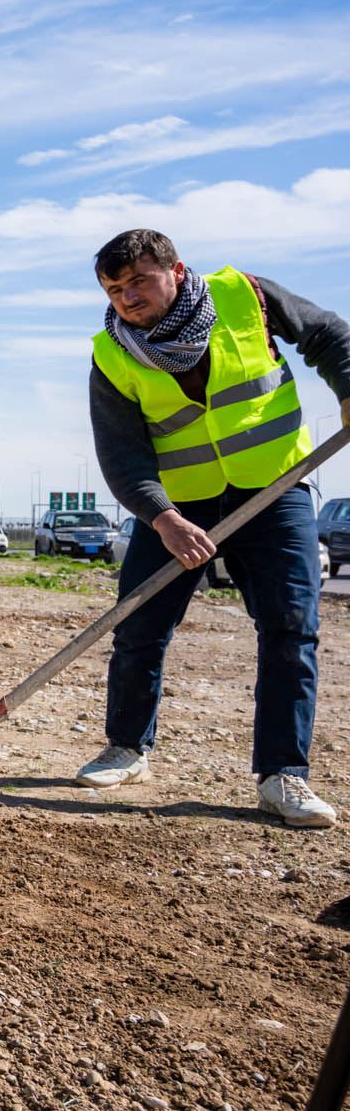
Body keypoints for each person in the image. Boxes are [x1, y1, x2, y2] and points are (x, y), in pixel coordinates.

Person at [81, 228, 343, 828]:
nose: (127, 298)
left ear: (176, 270)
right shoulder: (113, 353)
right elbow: (122, 455)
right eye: (114, 289)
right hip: (178, 504)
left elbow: (330, 335)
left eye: (138, 281)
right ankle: (127, 748)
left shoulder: (245, 297)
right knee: (138, 626)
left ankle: (284, 776)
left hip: (274, 489)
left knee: (290, 629)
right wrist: (163, 518)